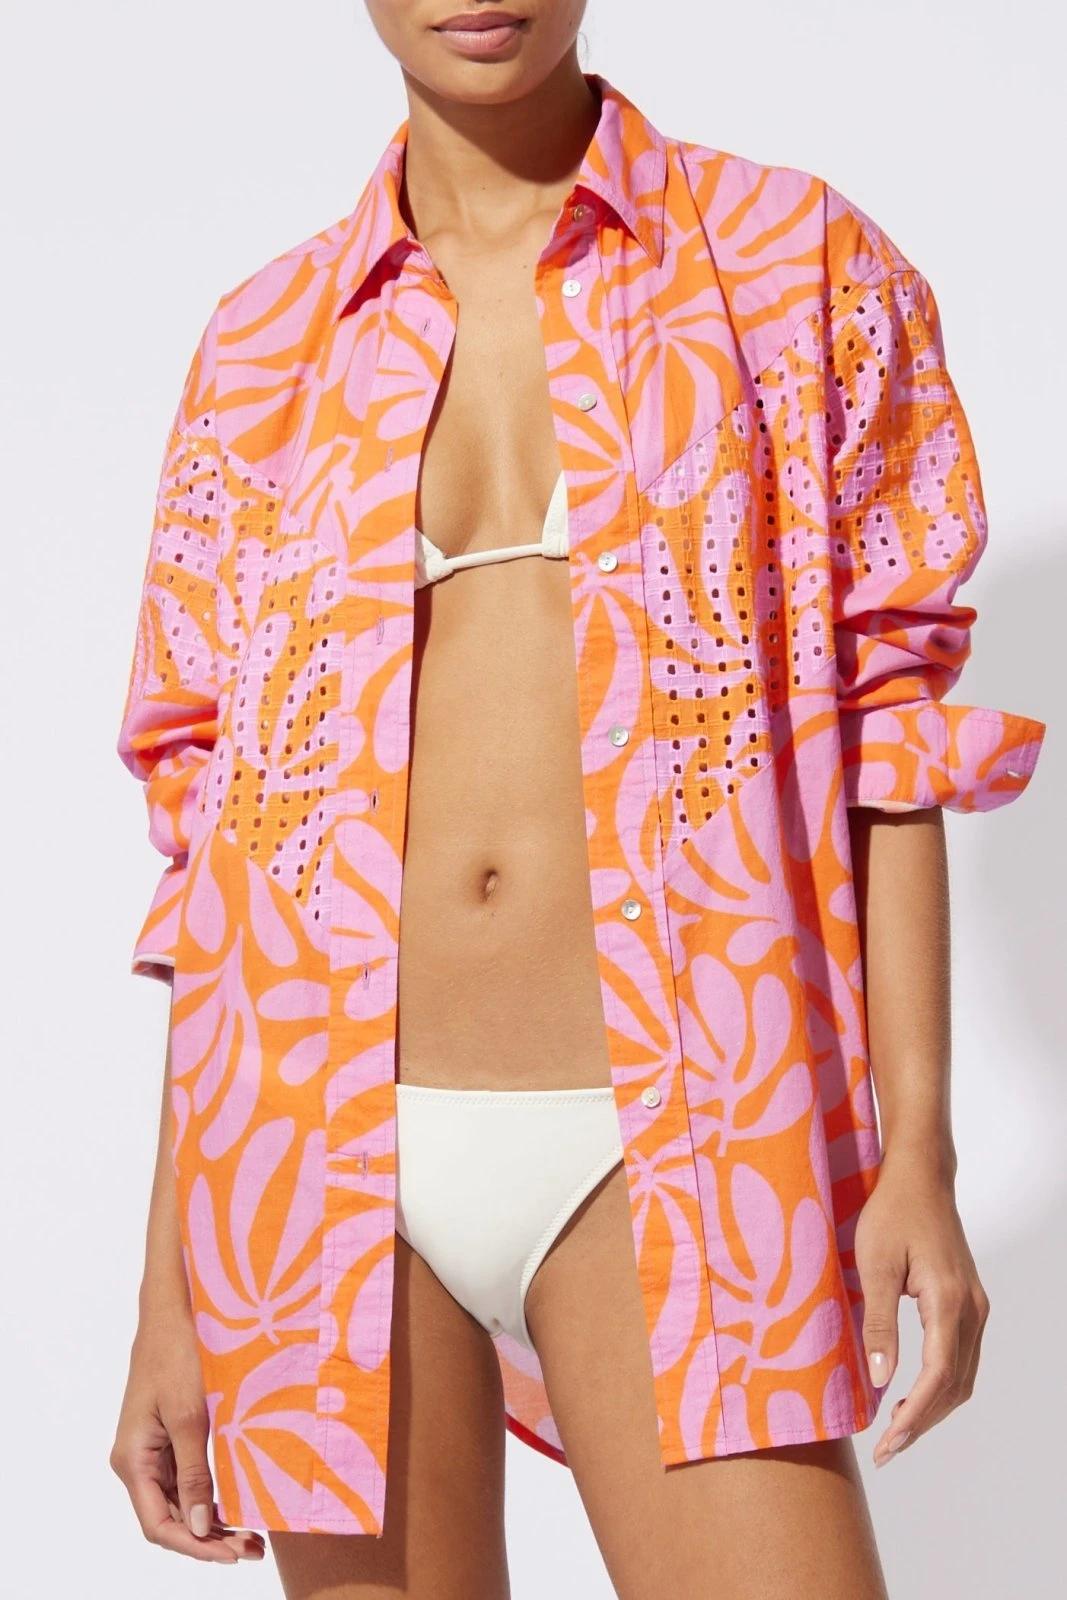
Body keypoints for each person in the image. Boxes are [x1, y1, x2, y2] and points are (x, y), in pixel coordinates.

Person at [108, 4, 1046, 1597]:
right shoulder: (262, 348)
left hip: (679, 1129)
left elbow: (889, 732)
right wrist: (172, 1290)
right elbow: (220, 848)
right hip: (311, 1158)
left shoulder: (790, 264)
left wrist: (920, 1153)